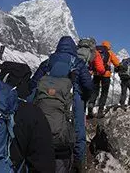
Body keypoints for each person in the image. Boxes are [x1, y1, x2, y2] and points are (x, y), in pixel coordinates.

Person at [31, 36, 94, 173]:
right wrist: (84, 98)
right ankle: (78, 165)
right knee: (78, 131)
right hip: (72, 99)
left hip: (45, 104)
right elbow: (88, 86)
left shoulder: (47, 62)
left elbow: (33, 84)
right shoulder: (77, 63)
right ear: (73, 48)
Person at [88, 41, 120, 119]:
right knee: (104, 93)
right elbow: (117, 63)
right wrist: (117, 67)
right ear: (109, 46)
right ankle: (100, 111)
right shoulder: (109, 52)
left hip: (96, 74)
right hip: (106, 75)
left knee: (94, 91)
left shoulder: (96, 51)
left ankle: (91, 104)